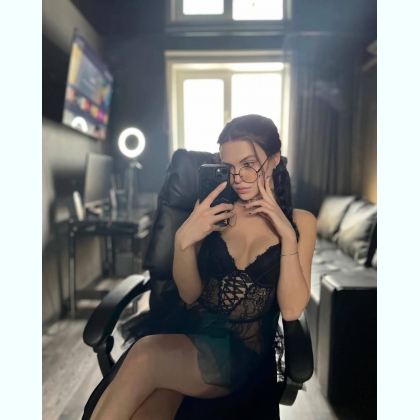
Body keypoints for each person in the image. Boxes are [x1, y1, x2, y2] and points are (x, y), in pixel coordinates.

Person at [86, 114, 317, 420]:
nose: (237, 178)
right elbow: (190, 294)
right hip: (189, 332)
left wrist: (286, 235)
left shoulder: (301, 223)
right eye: (228, 167)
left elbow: (291, 310)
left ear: (274, 159)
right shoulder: (215, 211)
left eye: (249, 164)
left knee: (145, 355)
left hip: (241, 355)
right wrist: (183, 241)